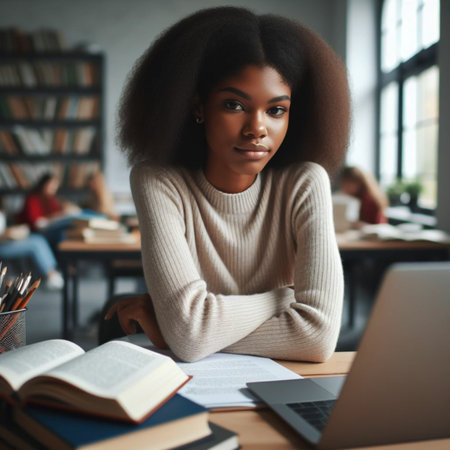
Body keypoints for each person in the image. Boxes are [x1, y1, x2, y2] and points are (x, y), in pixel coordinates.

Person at [105, 7, 351, 362]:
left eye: (276, 110)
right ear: (198, 106)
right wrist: (283, 297)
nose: (257, 128)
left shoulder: (304, 182)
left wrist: (178, 329)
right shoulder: (158, 182)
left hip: (285, 382)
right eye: (234, 105)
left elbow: (317, 338)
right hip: (190, 386)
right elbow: (189, 335)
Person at [0, 208, 63, 290]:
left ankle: (52, 273)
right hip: (2, 245)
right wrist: (9, 234)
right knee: (36, 243)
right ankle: (51, 274)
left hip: (6, 241)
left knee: (37, 239)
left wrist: (15, 232)